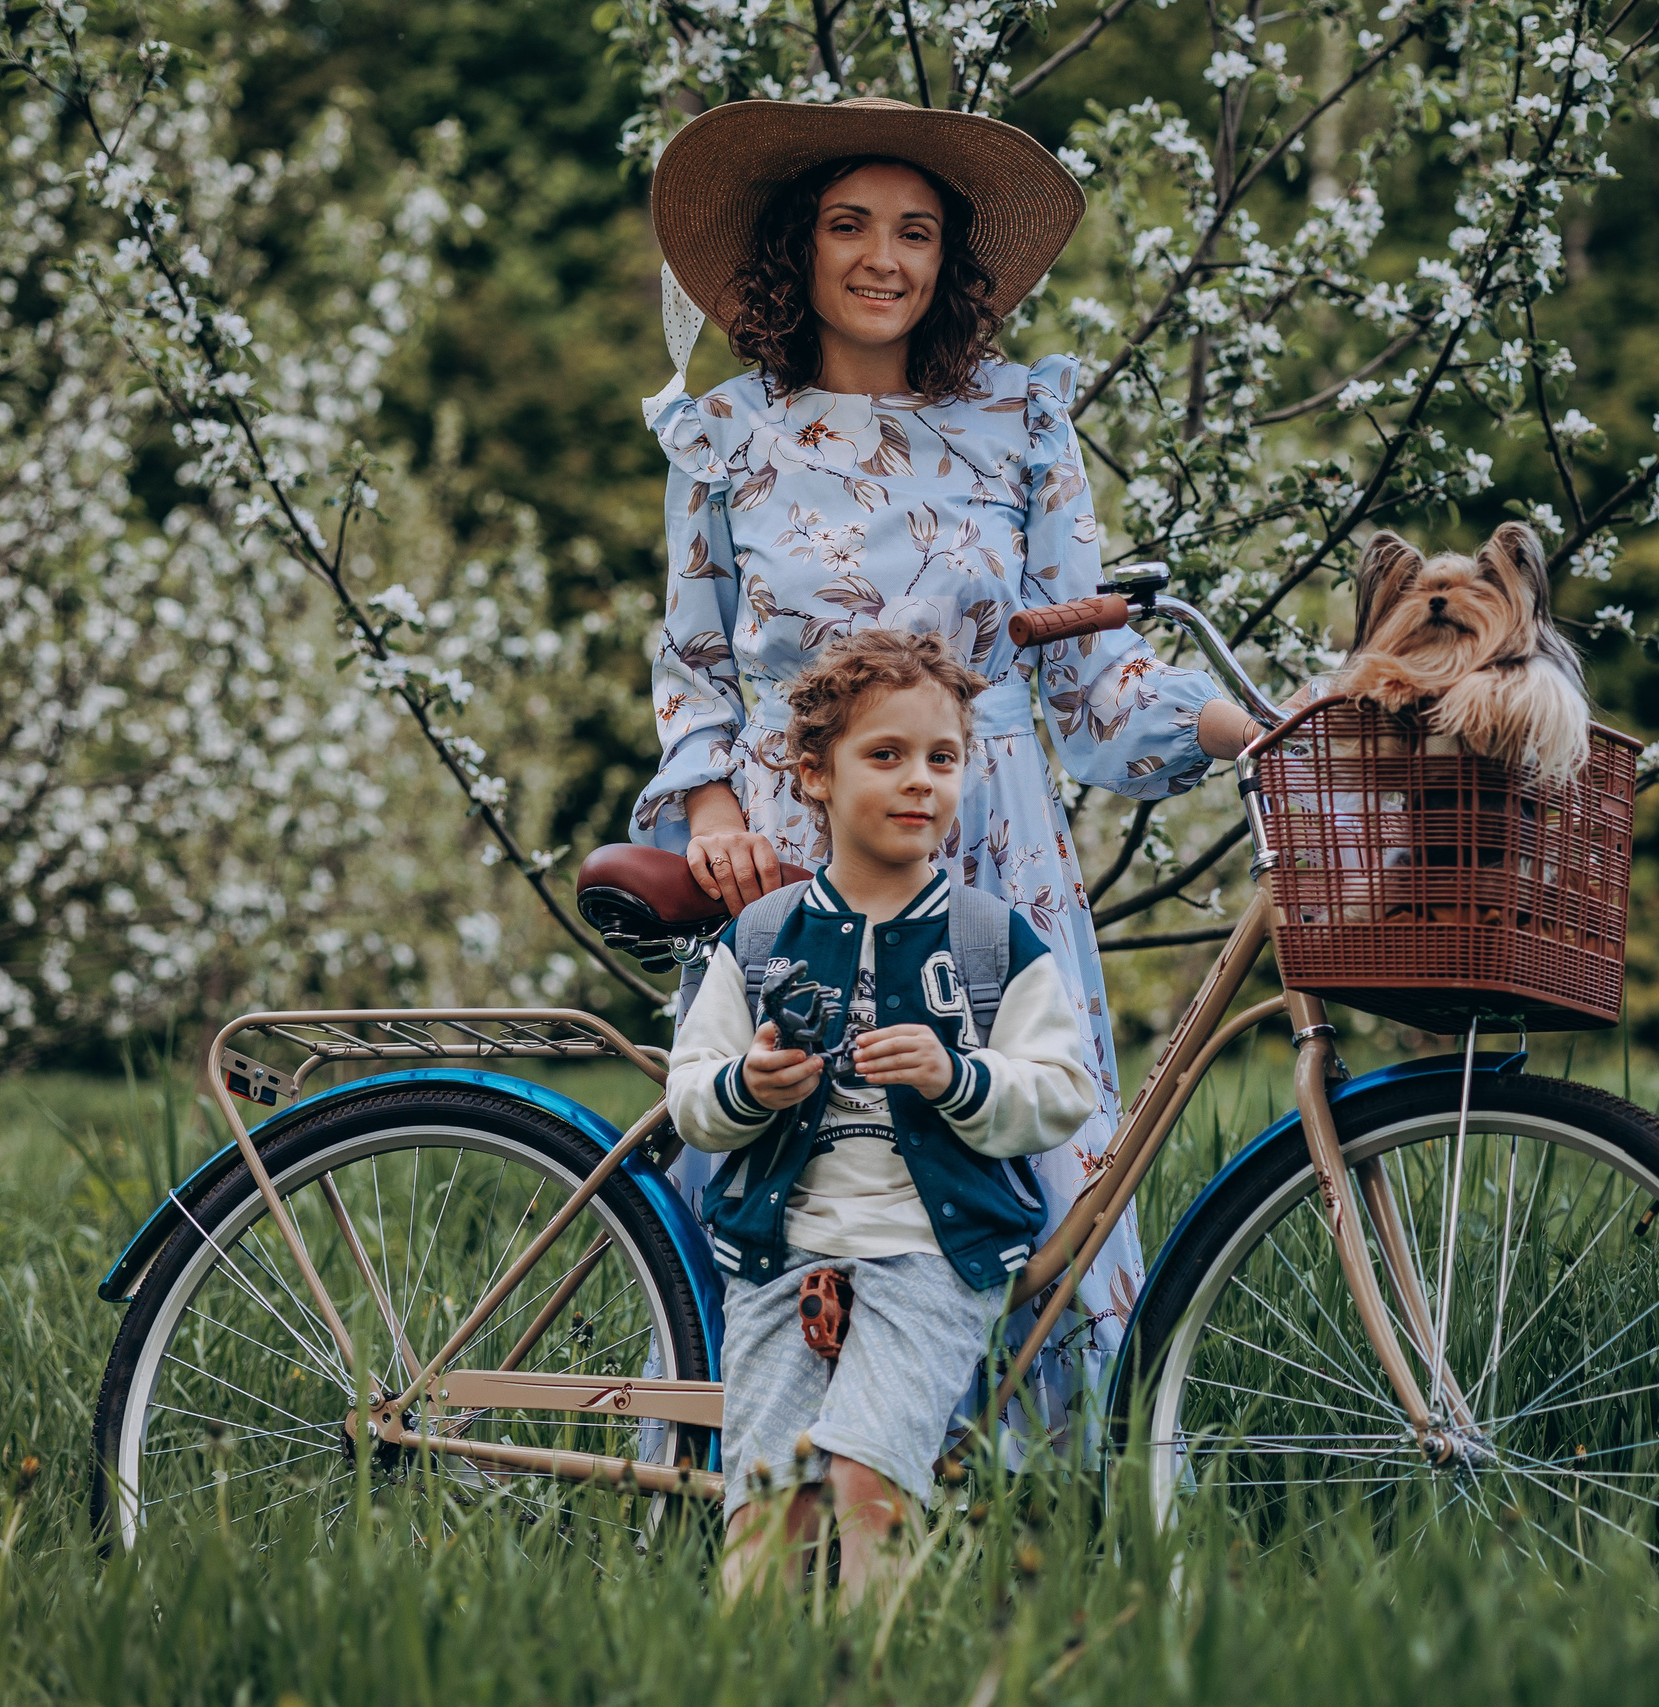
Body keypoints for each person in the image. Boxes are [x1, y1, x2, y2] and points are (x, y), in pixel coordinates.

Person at [637, 96, 1262, 1447]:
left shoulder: (1018, 422)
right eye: (849, 225)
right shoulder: (728, 434)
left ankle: (1017, 1494)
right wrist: (711, 809)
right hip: (794, 849)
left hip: (990, 850)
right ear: (796, 250)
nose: (883, 256)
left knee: (1019, 1149)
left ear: (950, 259)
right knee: (795, 1168)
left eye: (915, 231)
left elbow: (1091, 679)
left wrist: (1251, 726)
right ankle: (770, 1492)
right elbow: (692, 661)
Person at [667, 630, 1092, 1600]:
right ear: (814, 776)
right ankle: (746, 1671)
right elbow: (691, 1096)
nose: (919, 783)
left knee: (868, 1478)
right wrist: (751, 1084)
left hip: (934, 1256)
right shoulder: (766, 936)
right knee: (771, 1500)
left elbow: (1061, 1089)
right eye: (886, 755)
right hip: (781, 1252)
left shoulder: (990, 940)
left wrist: (957, 1076)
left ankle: (872, 1668)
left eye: (941, 759)